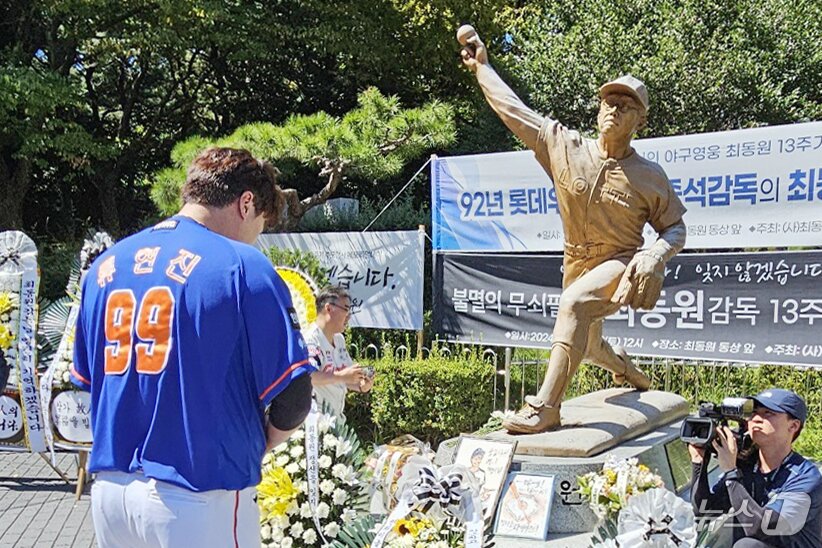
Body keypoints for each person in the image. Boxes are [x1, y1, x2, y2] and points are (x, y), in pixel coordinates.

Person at [70, 147, 315, 548]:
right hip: (200, 494)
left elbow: (86, 380)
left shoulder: (105, 267)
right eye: (260, 223)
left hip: (111, 492)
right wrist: (264, 440)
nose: (257, 234)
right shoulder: (242, 265)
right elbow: (295, 393)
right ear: (246, 202)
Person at [459, 27, 687, 433]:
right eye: (608, 101)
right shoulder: (567, 148)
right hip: (575, 259)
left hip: (619, 261)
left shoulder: (650, 176)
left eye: (626, 105)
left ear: (641, 120)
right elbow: (514, 110)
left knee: (575, 304)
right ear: (598, 110)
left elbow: (675, 228)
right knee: (591, 343)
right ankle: (629, 371)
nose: (614, 109)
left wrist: (654, 255)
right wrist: (483, 67)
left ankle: (546, 408)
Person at [689, 389, 822, 548]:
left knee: (747, 543)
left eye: (768, 413)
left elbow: (761, 528)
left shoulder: (806, 477)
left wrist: (731, 473)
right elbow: (705, 511)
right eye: (753, 413)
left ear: (793, 425)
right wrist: (699, 463)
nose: (757, 419)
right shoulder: (748, 466)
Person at [304, 286, 373, 418]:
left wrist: (361, 385)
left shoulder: (339, 339)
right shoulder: (311, 340)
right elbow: (309, 377)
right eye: (346, 309)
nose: (349, 316)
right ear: (329, 308)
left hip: (336, 419)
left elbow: (346, 377)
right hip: (316, 420)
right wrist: (342, 376)